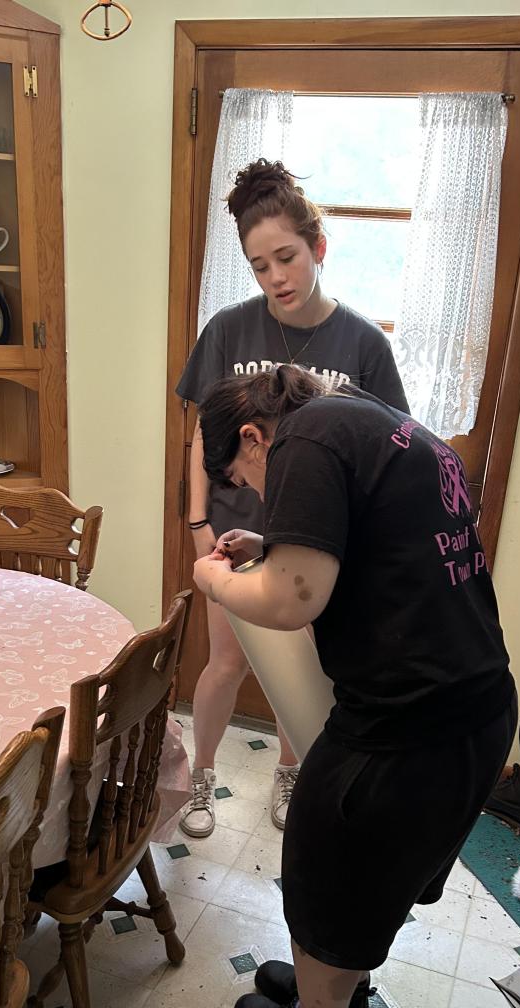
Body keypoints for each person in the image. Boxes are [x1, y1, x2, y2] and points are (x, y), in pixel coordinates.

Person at [192, 364, 516, 1008]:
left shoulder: (304, 438)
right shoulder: (365, 417)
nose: (258, 491)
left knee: (327, 854)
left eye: (243, 476)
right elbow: (375, 538)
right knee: (368, 872)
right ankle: (341, 1001)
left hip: (415, 722)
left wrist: (213, 579)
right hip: (472, 703)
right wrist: (272, 540)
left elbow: (292, 599)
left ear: (254, 436)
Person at [177, 159, 408, 839]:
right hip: (234, 530)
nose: (276, 277)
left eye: (287, 258)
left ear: (318, 249)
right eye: (260, 266)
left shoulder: (363, 343)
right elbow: (203, 433)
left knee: (301, 671)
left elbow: (384, 447)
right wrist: (198, 519)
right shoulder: (228, 329)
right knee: (226, 662)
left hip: (314, 544)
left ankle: (290, 771)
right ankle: (200, 776)